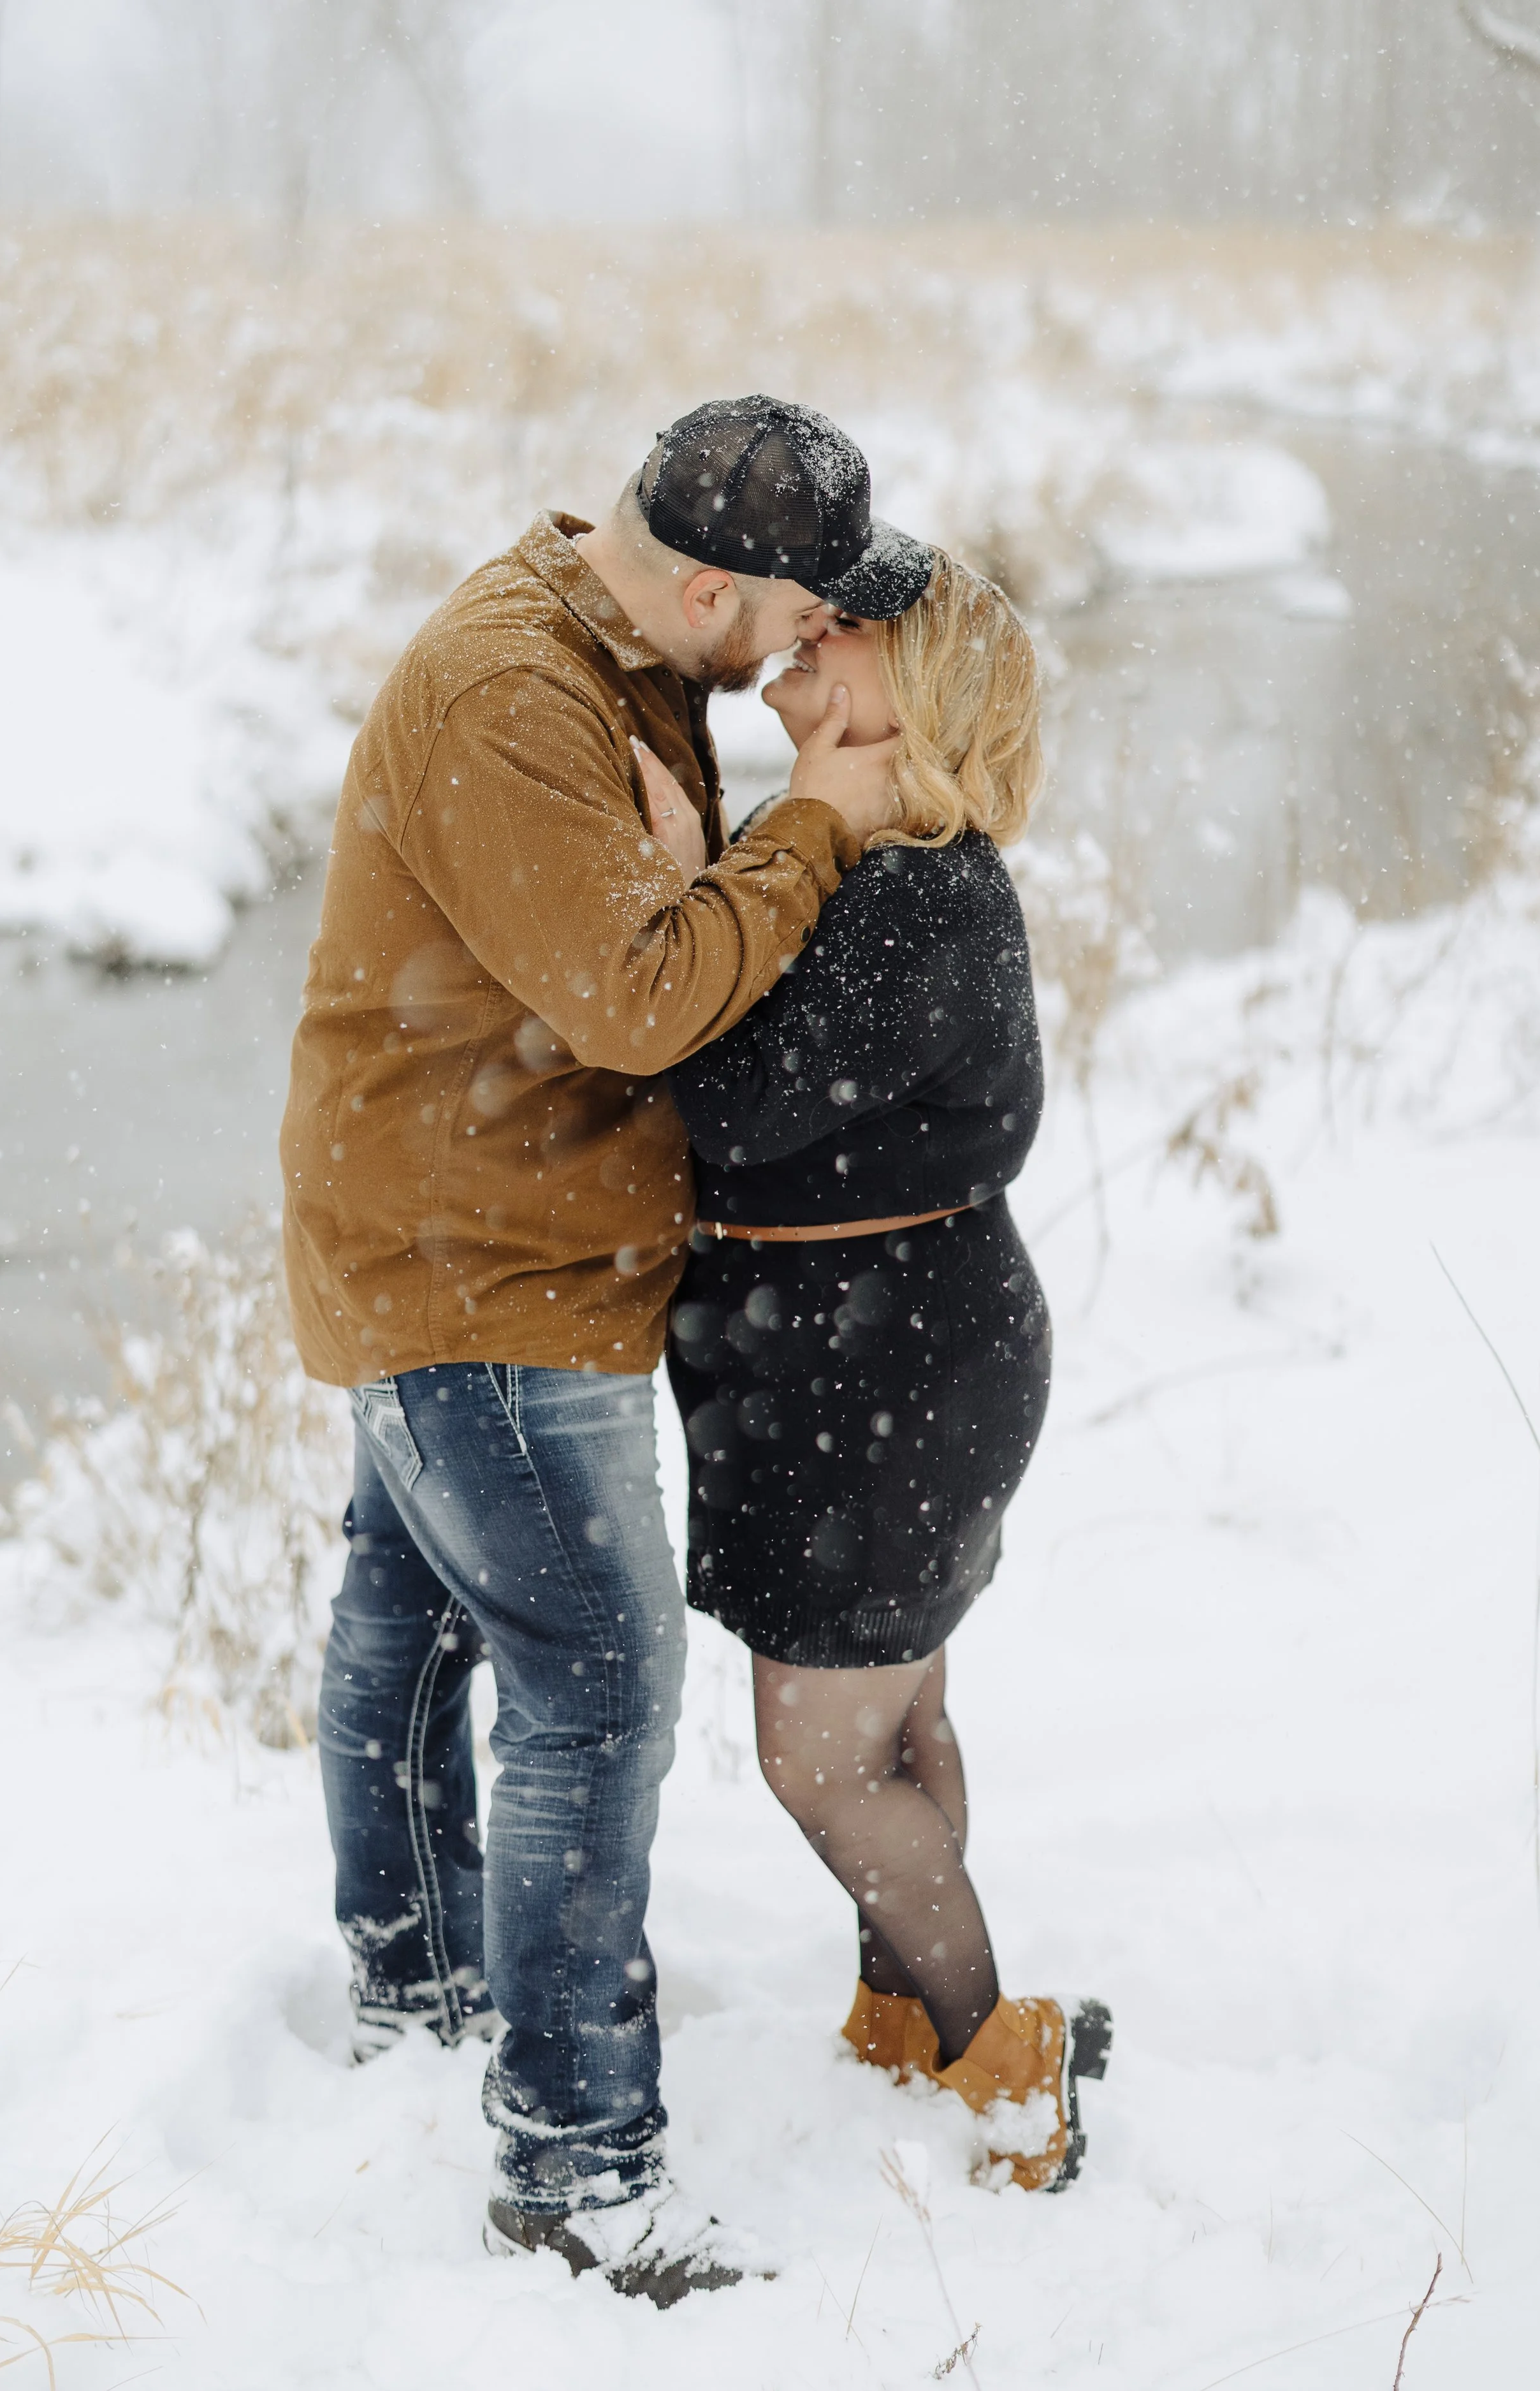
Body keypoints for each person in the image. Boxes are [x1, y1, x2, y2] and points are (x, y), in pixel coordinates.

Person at [279, 396, 934, 2302]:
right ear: (710, 579)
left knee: (405, 1615)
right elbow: (639, 998)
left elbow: (618, 946)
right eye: (800, 616)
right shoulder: (517, 698)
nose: (814, 647)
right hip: (480, 1270)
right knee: (595, 1665)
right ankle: (574, 2165)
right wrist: (813, 819)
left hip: (442, 1226)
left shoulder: (610, 639)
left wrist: (695, 850)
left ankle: (418, 1990)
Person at [649, 552, 1112, 2193]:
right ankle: (907, 2009)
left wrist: (676, 870)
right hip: (870, 1349)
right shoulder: (879, 867)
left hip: (881, 1360)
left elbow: (735, 1100)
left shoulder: (913, 882)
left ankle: (1004, 2059)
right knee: (897, 1715)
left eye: (844, 626)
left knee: (821, 1754)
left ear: (910, 693)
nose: (805, 628)